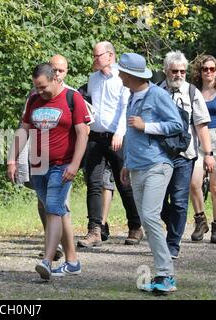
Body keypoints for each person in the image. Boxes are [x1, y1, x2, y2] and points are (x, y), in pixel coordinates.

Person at [7, 63, 90, 280]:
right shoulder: (34, 99)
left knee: (53, 208)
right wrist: (11, 159)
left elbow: (82, 133)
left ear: (55, 78)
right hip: (38, 165)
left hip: (62, 164)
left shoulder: (73, 98)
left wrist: (75, 164)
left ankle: (47, 260)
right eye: (37, 88)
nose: (40, 92)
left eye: (43, 87)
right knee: (55, 210)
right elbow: (24, 130)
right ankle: (72, 262)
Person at [118, 52, 182, 294]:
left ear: (131, 74)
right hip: (136, 167)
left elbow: (176, 124)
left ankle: (166, 275)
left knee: (150, 216)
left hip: (158, 164)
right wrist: (127, 162)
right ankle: (162, 273)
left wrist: (148, 126)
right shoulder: (132, 95)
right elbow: (131, 134)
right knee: (146, 220)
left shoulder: (157, 94)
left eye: (121, 72)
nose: (119, 75)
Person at [78, 41, 142, 248]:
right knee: (94, 183)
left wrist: (120, 133)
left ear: (110, 56)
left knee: (124, 183)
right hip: (96, 137)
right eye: (94, 55)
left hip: (117, 137)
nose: (94, 59)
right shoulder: (93, 79)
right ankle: (95, 229)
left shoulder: (121, 78)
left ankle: (135, 225)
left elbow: (126, 107)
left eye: (98, 56)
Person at [158, 51, 214, 259]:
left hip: (185, 154)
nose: (179, 75)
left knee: (180, 201)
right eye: (174, 71)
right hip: (160, 155)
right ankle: (175, 223)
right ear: (166, 71)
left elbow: (201, 126)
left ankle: (173, 244)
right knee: (158, 201)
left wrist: (208, 154)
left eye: (182, 71)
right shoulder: (156, 92)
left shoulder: (192, 93)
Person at [189, 55, 216, 243]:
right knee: (194, 183)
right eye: (205, 69)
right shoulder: (194, 92)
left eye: (212, 69)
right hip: (199, 138)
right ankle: (200, 220)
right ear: (199, 72)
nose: (208, 72)